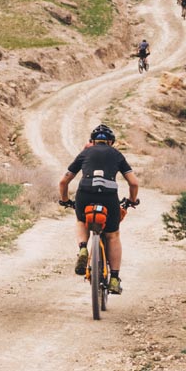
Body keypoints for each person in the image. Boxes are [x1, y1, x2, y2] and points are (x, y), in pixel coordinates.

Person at [57, 124, 139, 294]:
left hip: (85, 194)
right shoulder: (117, 154)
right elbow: (134, 183)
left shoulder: (85, 153)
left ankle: (82, 248)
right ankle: (115, 278)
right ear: (111, 142)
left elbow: (63, 181)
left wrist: (65, 200)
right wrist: (131, 200)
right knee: (112, 235)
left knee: (81, 220)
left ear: (92, 141)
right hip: (109, 197)